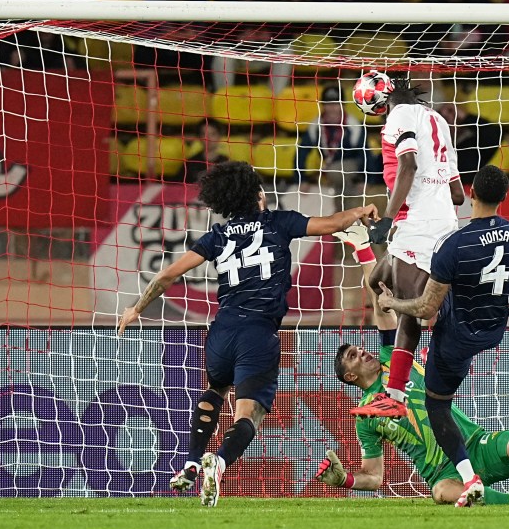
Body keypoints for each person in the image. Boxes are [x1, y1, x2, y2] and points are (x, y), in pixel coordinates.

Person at [116, 161, 378, 507]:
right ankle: (219, 463)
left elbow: (167, 275)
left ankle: (192, 462)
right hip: (258, 333)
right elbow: (332, 224)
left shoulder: (217, 236)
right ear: (257, 195)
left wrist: (136, 307)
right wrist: (360, 210)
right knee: (248, 415)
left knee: (215, 388)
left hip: (222, 331)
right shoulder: (280, 222)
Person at [322, 230, 509, 506]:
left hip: (475, 444)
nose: (362, 351)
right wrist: (346, 480)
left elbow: (381, 301)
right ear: (350, 376)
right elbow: (374, 476)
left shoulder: (394, 359)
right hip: (442, 473)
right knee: (442, 494)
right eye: (353, 356)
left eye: (358, 348)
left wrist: (364, 250)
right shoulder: (366, 417)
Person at [375, 165, 509, 506]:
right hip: (493, 328)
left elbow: (424, 308)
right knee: (440, 294)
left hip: (458, 336)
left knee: (437, 406)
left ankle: (470, 479)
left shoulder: (453, 243)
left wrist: (390, 301)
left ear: (471, 195)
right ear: (503, 198)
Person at [351, 78, 465, 419]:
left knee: (407, 309)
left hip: (418, 223)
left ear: (381, 101)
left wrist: (387, 220)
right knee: (377, 281)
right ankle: (421, 355)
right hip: (443, 221)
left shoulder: (399, 117)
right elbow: (457, 193)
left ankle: (396, 395)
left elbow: (409, 165)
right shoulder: (438, 121)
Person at [296, 85, 369, 195]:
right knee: (333, 171)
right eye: (328, 104)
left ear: (342, 105)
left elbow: (365, 154)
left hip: (352, 166)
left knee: (335, 171)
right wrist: (302, 180)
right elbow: (301, 152)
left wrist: (364, 180)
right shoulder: (316, 125)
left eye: (336, 104)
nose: (332, 108)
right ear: (323, 105)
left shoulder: (353, 125)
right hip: (329, 166)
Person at [436, 100, 502, 184]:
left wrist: (466, 117)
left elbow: (495, 134)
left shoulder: (473, 145)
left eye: (451, 115)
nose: (446, 123)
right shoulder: (433, 146)